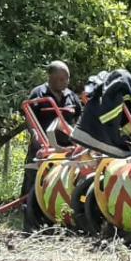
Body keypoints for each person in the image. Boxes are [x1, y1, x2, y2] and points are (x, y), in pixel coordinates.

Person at [22, 61, 82, 198]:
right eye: (60, 79)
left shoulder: (71, 96)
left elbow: (79, 118)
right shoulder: (38, 93)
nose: (65, 82)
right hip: (44, 143)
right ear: (50, 78)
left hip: (66, 146)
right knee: (36, 177)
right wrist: (36, 135)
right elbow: (29, 117)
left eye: (67, 78)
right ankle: (28, 204)